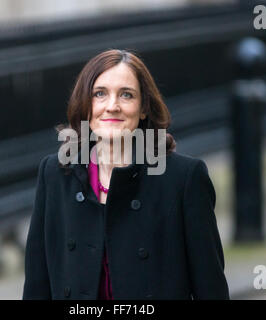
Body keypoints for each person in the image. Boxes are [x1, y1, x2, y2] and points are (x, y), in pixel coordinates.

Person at [22, 49, 230, 300]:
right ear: (86, 105)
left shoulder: (184, 178)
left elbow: (211, 290)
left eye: (126, 95)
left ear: (143, 108)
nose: (112, 106)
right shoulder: (55, 174)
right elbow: (36, 286)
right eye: (100, 94)